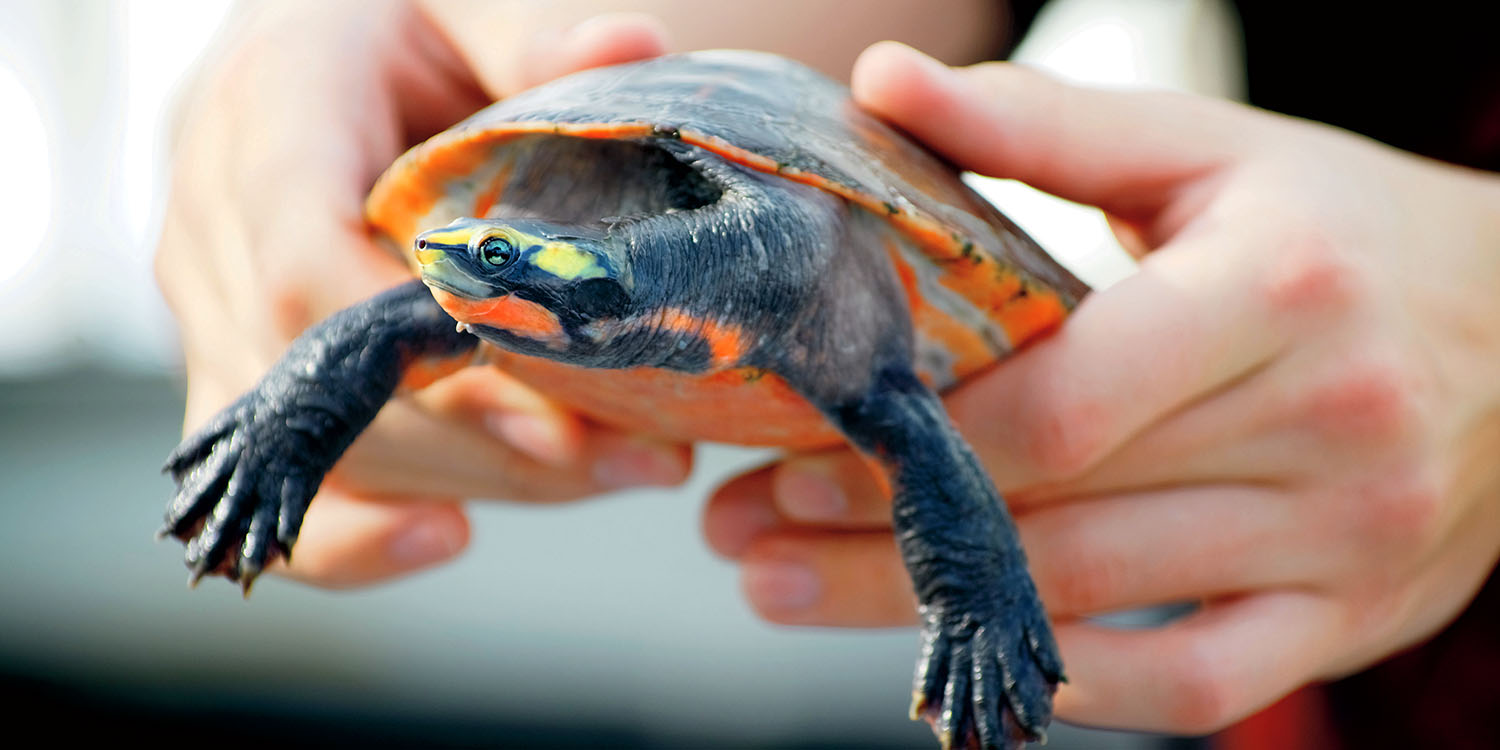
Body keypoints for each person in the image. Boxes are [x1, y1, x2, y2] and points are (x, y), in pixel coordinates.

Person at [157, 0, 1500, 744]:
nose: (467, 277)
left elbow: (908, 427)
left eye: (501, 266)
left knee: (907, 426)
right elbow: (416, 300)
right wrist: (388, 23)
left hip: (1389, 657)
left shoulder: (814, 290)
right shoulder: (518, 272)